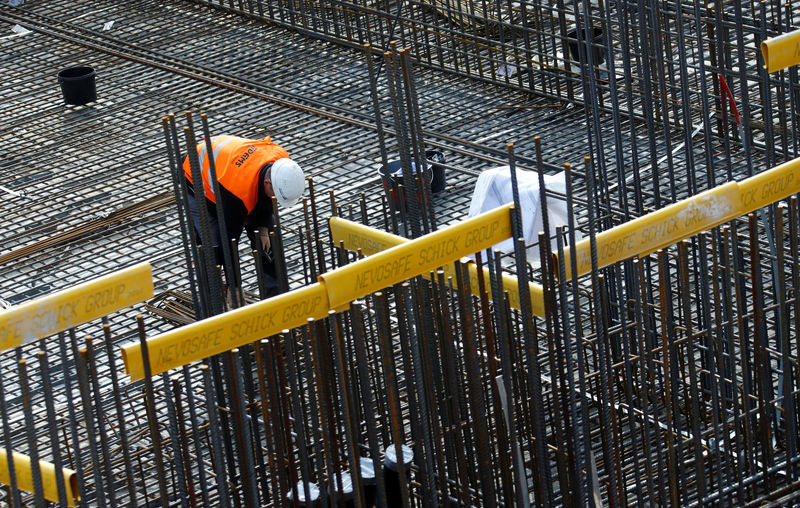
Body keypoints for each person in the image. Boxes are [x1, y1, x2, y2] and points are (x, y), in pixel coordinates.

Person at [183, 135, 305, 299]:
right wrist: (235, 288)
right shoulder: (237, 196)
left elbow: (266, 199)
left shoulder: (281, 159)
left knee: (268, 244)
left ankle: (276, 298)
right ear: (268, 182)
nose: (275, 199)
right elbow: (229, 243)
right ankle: (217, 297)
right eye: (275, 194)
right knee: (215, 246)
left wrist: (263, 228)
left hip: (234, 171)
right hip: (195, 174)